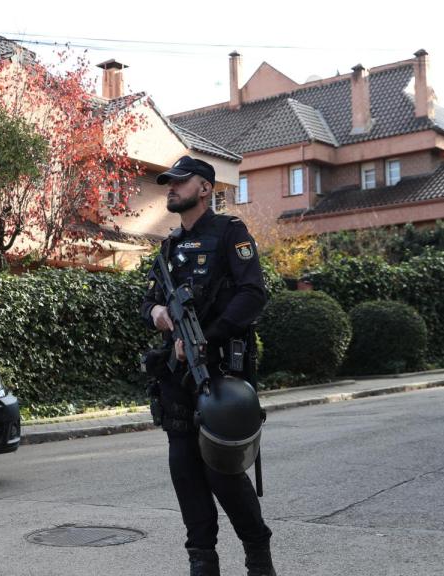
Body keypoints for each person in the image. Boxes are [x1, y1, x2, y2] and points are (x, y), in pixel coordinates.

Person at [139, 156, 275, 576]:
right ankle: (202, 561)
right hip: (177, 377)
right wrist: (157, 312)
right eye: (169, 183)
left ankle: (257, 553)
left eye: (179, 182)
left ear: (204, 188)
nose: (170, 188)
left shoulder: (231, 233)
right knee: (184, 471)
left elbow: (253, 294)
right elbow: (145, 301)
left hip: (221, 373)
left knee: (223, 473)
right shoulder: (169, 247)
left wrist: (204, 339)